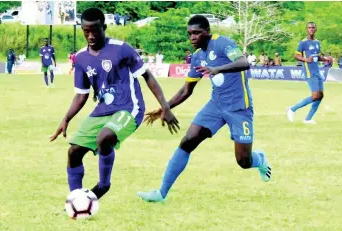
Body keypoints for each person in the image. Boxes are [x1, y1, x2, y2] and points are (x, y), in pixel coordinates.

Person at [137, 15, 272, 203]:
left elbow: (244, 63)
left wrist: (218, 69)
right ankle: (161, 193)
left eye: (197, 33)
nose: (192, 37)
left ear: (207, 32)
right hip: (215, 106)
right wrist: (164, 108)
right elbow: (186, 90)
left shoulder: (223, 43)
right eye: (189, 34)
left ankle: (260, 159)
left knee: (243, 161)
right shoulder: (198, 57)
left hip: (239, 108)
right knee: (187, 141)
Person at [49, 8, 179, 200]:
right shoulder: (81, 58)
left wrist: (165, 107)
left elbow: (147, 76)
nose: (91, 35)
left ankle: (103, 185)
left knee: (105, 137)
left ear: (105, 27)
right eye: (86, 31)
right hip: (102, 110)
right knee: (73, 151)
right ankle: (76, 200)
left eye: (95, 30)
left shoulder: (121, 49)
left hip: (129, 108)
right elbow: (81, 95)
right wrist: (66, 119)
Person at [287, 22, 330, 124]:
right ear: (306, 30)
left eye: (313, 27)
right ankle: (292, 109)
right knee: (315, 96)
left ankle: (308, 119)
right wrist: (306, 59)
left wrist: (326, 59)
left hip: (317, 71)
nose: (311, 29)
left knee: (320, 95)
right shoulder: (303, 43)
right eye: (309, 28)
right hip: (309, 72)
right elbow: (296, 56)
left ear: (315, 29)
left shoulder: (317, 42)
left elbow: (318, 56)